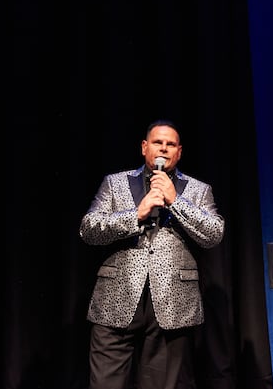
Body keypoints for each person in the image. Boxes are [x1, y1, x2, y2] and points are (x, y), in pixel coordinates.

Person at [79, 119, 225, 389]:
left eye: (171, 144)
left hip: (172, 303)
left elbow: (213, 235)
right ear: (145, 147)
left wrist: (175, 200)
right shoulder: (115, 183)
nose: (164, 149)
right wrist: (135, 214)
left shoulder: (198, 190)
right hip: (116, 299)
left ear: (179, 152)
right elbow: (88, 229)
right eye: (158, 142)